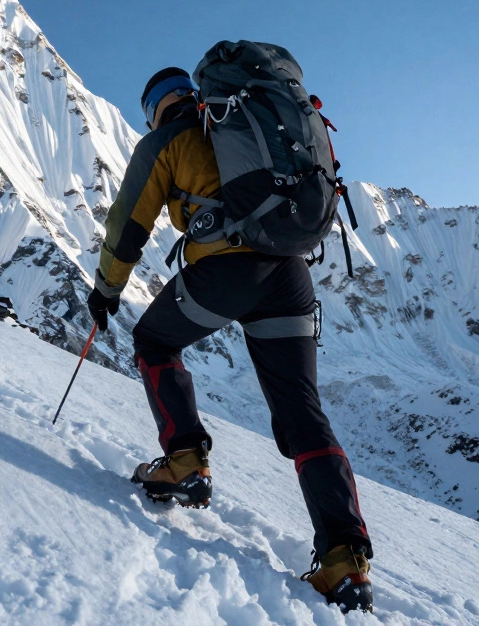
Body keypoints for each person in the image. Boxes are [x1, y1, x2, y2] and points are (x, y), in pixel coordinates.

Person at [85, 66, 376, 613]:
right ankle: (345, 560)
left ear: (154, 108)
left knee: (154, 342)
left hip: (225, 273)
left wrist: (107, 290)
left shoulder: (166, 140)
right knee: (301, 409)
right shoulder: (244, 126)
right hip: (291, 274)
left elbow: (129, 223)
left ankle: (185, 462)